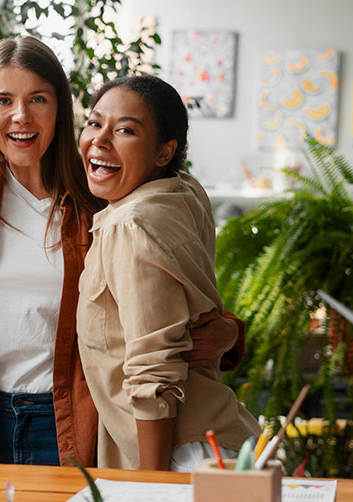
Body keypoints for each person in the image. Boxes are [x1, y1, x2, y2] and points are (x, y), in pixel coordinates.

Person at [0, 36, 244, 467]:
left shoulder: (103, 194)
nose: (21, 116)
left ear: (61, 107)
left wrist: (228, 331)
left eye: (38, 99)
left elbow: (171, 292)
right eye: (3, 100)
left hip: (75, 421)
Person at [76, 75, 260, 472]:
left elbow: (152, 371)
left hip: (179, 456)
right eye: (94, 123)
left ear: (164, 152)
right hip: (213, 439)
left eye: (125, 129)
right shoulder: (182, 191)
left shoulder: (130, 225)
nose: (101, 140)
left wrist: (154, 486)